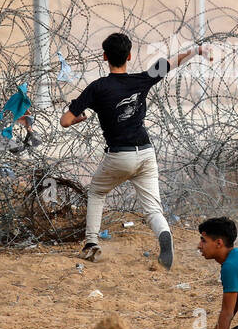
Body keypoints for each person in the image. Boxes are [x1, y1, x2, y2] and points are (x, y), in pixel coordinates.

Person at [60, 32, 204, 267]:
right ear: (129, 56)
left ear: (105, 56)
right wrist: (196, 50)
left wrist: (80, 119)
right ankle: (164, 235)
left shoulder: (97, 88)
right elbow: (171, 62)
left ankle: (91, 242)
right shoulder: (141, 79)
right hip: (146, 154)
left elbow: (65, 121)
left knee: (97, 192)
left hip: (119, 155)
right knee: (152, 209)